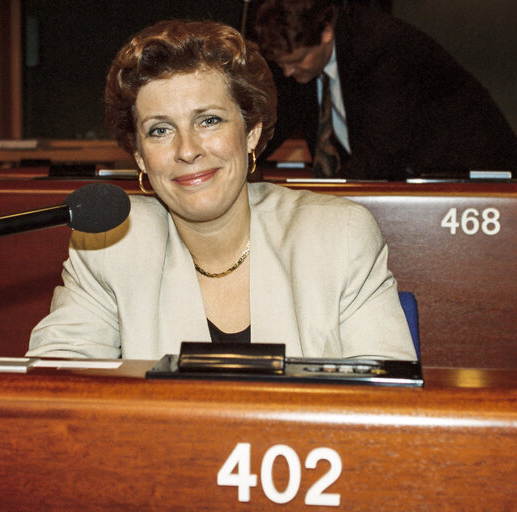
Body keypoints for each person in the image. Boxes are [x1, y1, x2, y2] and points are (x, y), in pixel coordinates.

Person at [27, 19, 416, 361]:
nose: (187, 150)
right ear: (140, 156)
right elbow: (56, 385)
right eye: (159, 130)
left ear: (251, 133)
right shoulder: (109, 247)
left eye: (209, 120)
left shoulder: (338, 236)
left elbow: (385, 407)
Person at [253, 0, 517, 180]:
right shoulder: (300, 57)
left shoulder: (384, 48)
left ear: (327, 32)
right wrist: (243, 162)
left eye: (298, 61)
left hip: (476, 172)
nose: (288, 73)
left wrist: (324, 199)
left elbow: (382, 150)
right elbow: (279, 122)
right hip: (408, 174)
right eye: (282, 65)